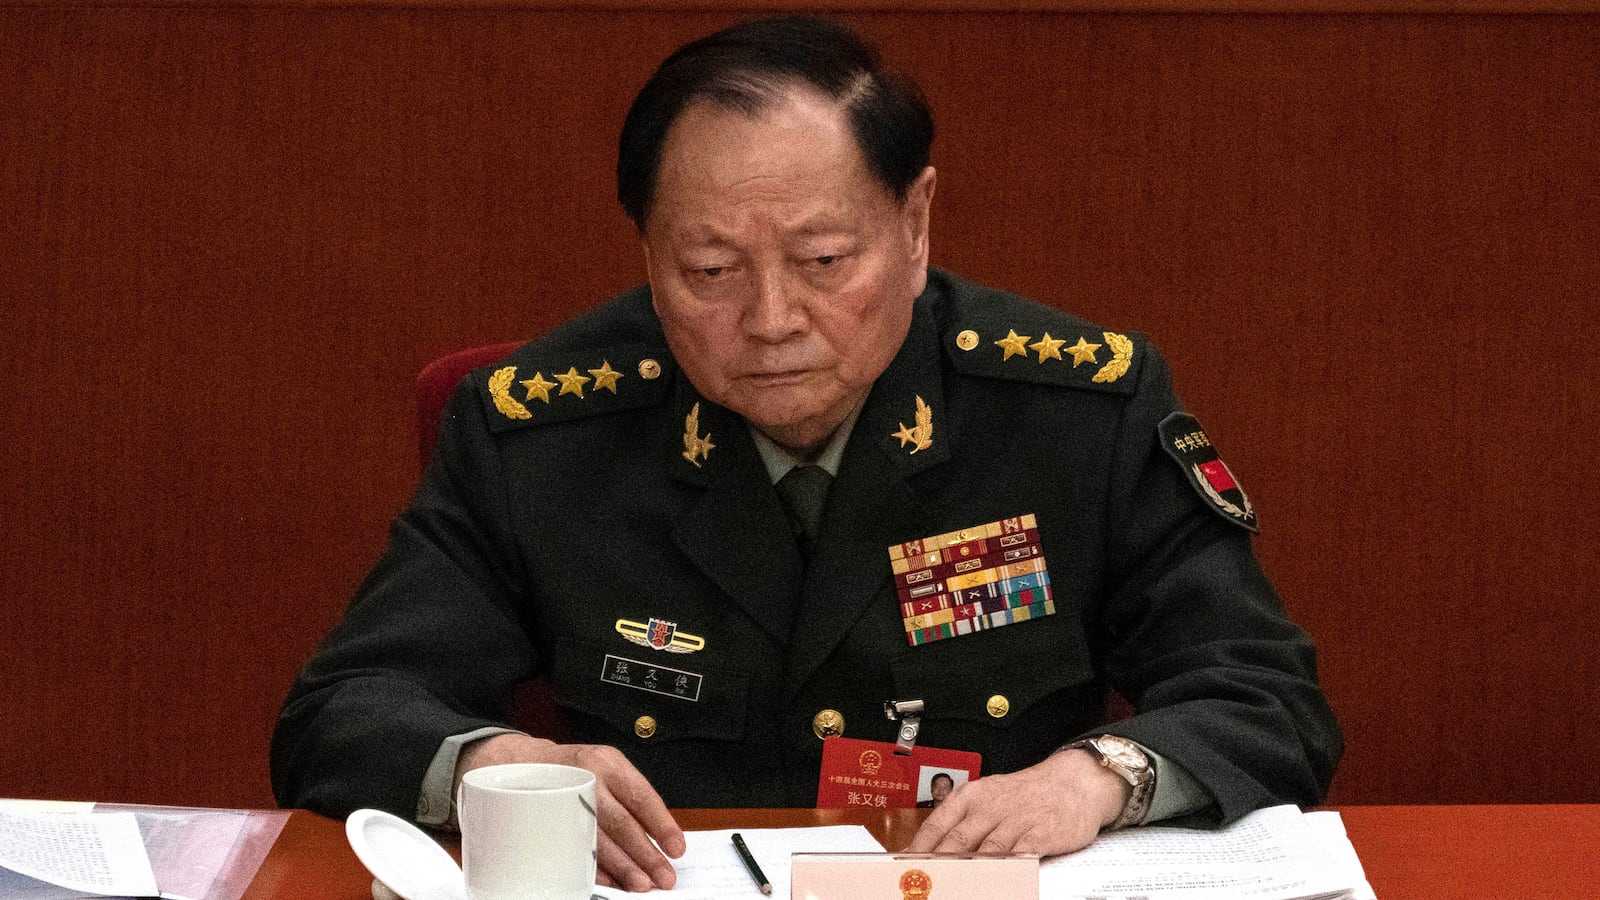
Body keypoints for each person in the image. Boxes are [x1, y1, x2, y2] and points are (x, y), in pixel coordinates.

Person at [271, 15, 1341, 894]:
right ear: (648, 256)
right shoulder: (544, 437)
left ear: (914, 224)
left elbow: (1263, 696)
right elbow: (343, 713)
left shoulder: (1074, 413)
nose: (773, 317)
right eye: (710, 270)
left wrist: (1097, 775)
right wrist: (499, 766)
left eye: (824, 259)